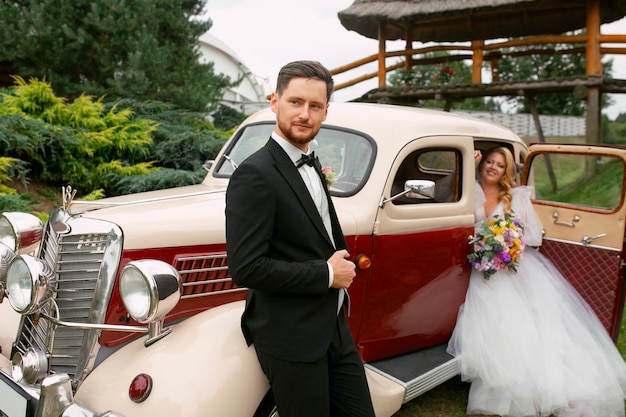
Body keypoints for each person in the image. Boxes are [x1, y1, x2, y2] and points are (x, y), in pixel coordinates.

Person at [225, 60, 375, 417]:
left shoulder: (312, 162)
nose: (305, 114)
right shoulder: (254, 174)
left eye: (315, 106)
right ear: (274, 102)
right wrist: (326, 275)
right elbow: (246, 268)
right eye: (295, 102)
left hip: (333, 326)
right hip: (289, 336)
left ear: (326, 111)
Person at [447, 147, 626, 417]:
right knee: (488, 319)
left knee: (519, 323)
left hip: (511, 268)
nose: (493, 168)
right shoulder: (470, 190)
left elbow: (533, 235)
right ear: (482, 165)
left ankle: (524, 385)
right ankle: (496, 372)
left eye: (500, 165)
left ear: (507, 171)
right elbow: (452, 204)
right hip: (480, 266)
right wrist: (468, 169)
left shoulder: (515, 197)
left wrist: (508, 242)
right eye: (490, 163)